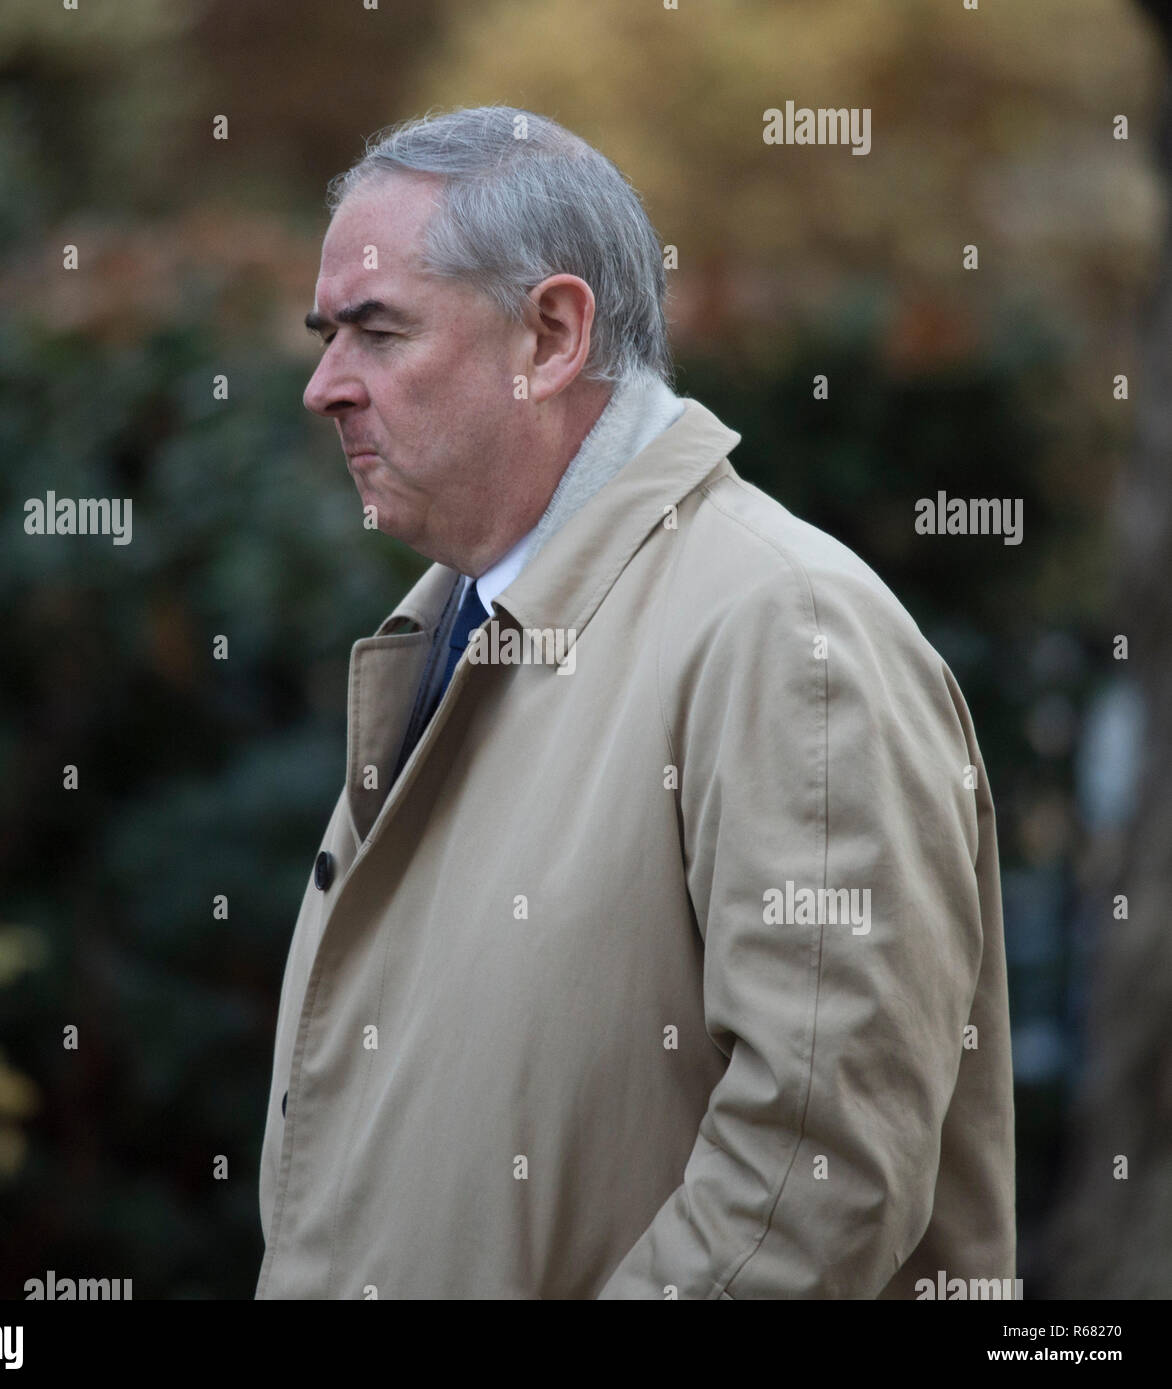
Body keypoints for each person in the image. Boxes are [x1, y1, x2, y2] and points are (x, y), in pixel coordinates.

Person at [255, 105, 1016, 1299]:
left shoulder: (786, 631)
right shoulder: (454, 623)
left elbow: (813, 1187)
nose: (323, 387)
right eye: (325, 335)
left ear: (551, 335)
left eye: (376, 332)